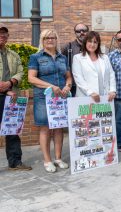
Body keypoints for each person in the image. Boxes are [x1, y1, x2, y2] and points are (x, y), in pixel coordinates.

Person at [28, 29, 72, 173]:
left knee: (59, 128)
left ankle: (58, 158)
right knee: (45, 128)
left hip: (60, 98)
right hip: (43, 97)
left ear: (56, 39)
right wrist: (51, 86)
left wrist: (67, 85)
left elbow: (68, 76)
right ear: (42, 40)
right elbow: (31, 78)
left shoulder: (62, 58)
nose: (50, 40)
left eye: (53, 37)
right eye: (47, 38)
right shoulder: (36, 57)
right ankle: (47, 160)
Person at [0, 25, 32, 171]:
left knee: (12, 129)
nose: (2, 36)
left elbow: (20, 71)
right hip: (5, 94)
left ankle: (15, 162)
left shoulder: (14, 55)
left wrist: (10, 83)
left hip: (11, 96)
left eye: (4, 34)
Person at [72, 31, 116, 103]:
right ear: (85, 42)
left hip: (105, 98)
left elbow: (111, 74)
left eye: (95, 42)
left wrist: (112, 90)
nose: (92, 44)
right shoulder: (77, 58)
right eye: (90, 41)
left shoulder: (105, 57)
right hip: (86, 98)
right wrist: (90, 92)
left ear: (98, 44)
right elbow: (79, 78)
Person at [61, 23, 89, 96]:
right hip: (73, 87)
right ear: (75, 33)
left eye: (84, 30)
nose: (81, 33)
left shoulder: (92, 47)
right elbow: (62, 65)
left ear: (88, 32)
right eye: (78, 31)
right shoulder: (68, 47)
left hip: (90, 86)